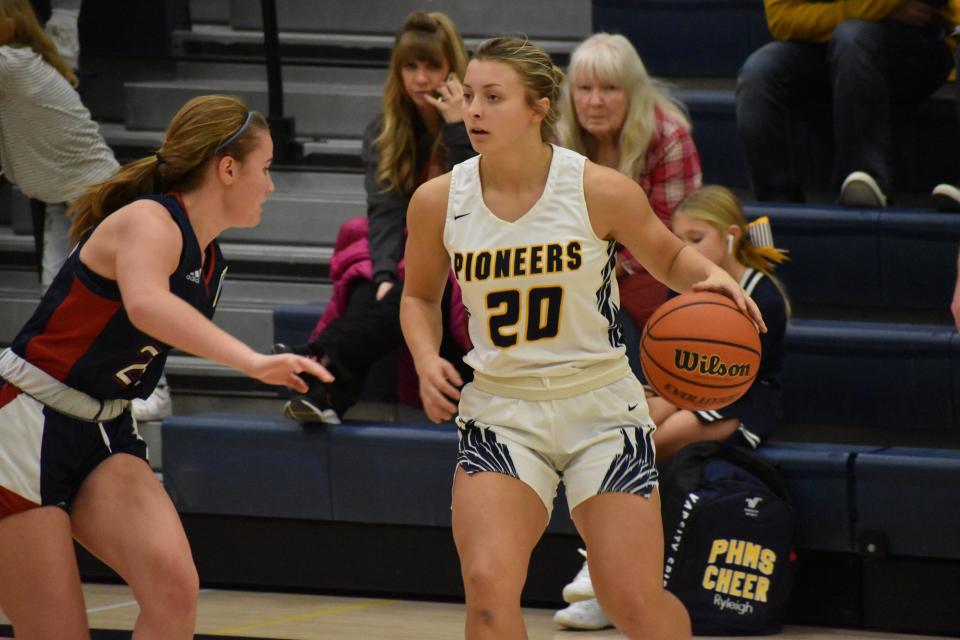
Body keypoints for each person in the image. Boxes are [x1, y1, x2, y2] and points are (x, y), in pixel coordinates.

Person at [400, 36, 765, 639]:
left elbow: (672, 259)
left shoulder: (597, 189)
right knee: (488, 593)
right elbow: (417, 297)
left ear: (539, 107)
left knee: (631, 601)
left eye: (494, 97)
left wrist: (716, 282)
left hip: (600, 409)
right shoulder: (439, 200)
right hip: (501, 410)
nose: (474, 112)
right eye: (470, 97)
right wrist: (423, 356)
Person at [0, 94, 329, 639]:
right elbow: (146, 304)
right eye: (265, 169)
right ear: (228, 168)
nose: (271, 185)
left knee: (175, 589)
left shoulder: (210, 257)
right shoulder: (150, 220)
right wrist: (252, 361)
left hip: (105, 425)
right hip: (27, 421)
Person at [554, 185, 790, 630]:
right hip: (688, 391)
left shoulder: (766, 295)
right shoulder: (682, 283)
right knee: (622, 433)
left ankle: (611, 577)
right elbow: (668, 364)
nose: (684, 249)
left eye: (696, 239)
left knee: (656, 441)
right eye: (679, 239)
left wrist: (668, 399)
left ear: (731, 235)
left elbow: (731, 378)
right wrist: (649, 396)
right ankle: (606, 569)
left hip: (744, 400)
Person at [278, 10, 474, 423]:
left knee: (412, 290)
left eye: (432, 66)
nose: (421, 79)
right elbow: (383, 213)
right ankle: (326, 396)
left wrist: (457, 127)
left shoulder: (479, 123)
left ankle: (318, 361)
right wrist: (384, 273)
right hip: (411, 247)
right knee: (376, 288)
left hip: (468, 249)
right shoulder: (385, 131)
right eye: (410, 66)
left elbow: (478, 194)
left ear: (454, 69)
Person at [736, 0, 956, 208]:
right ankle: (778, 208)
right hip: (830, 44)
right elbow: (782, 20)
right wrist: (879, 8)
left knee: (852, 37)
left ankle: (865, 180)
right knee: (757, 75)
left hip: (912, 47)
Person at [558, 32, 702, 333]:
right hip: (572, 260)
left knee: (643, 316)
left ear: (633, 93)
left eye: (610, 89)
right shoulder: (556, 136)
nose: (595, 101)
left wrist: (602, 271)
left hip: (647, 260)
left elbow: (669, 227)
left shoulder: (668, 136)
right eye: (584, 88)